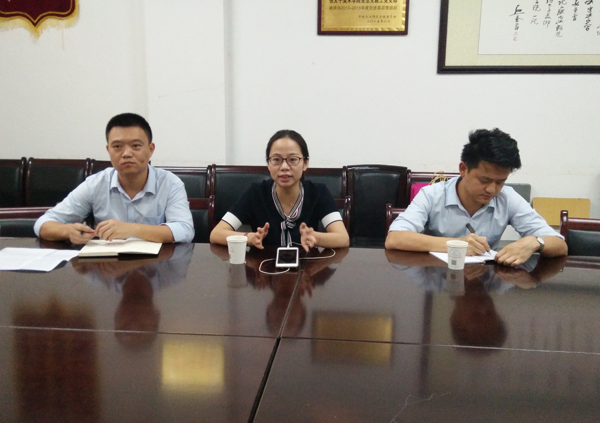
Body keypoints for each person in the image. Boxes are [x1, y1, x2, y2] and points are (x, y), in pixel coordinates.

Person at [385, 128, 567, 267]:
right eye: (485, 180)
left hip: (484, 283)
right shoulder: (432, 195)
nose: (492, 189)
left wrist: (535, 242)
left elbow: (560, 245)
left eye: (500, 181)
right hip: (437, 277)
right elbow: (395, 239)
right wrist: (457, 244)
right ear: (463, 169)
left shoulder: (507, 198)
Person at [34, 113, 194, 244]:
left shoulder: (170, 184)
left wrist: (132, 229)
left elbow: (185, 230)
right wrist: (68, 231)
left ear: (151, 149)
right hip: (108, 267)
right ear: (108, 150)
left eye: (136, 146)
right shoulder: (95, 184)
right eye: (117, 146)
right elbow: (43, 224)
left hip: (156, 266)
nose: (126, 154)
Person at [209, 129, 349, 251]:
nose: (284, 167)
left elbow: (343, 238)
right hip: (264, 270)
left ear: (305, 163)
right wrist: (250, 238)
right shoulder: (256, 193)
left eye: (292, 159)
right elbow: (216, 234)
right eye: (276, 160)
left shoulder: (318, 192)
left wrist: (315, 238)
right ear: (268, 164)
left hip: (306, 269)